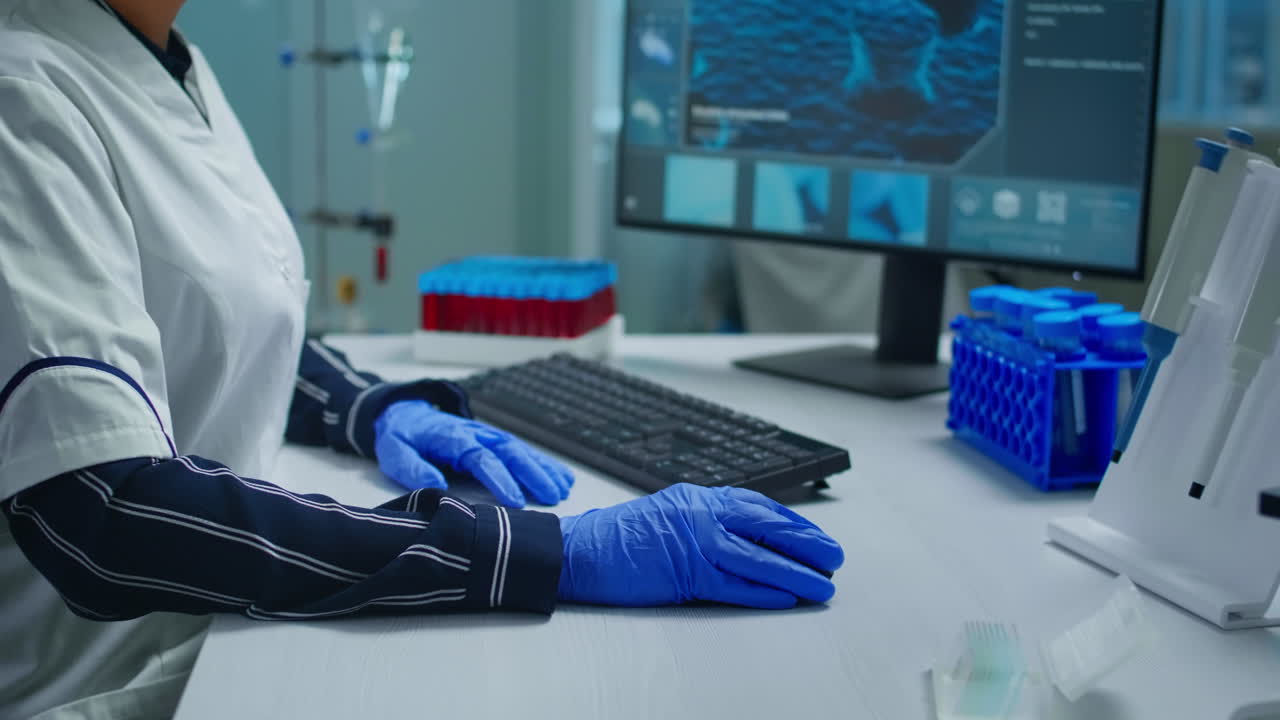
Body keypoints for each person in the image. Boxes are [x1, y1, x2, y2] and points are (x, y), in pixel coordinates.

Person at [0, 1, 845, 717]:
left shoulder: (164, 61)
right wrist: (543, 552)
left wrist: (369, 406)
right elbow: (100, 514)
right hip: (102, 681)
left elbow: (210, 318)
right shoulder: (24, 92)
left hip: (221, 621)